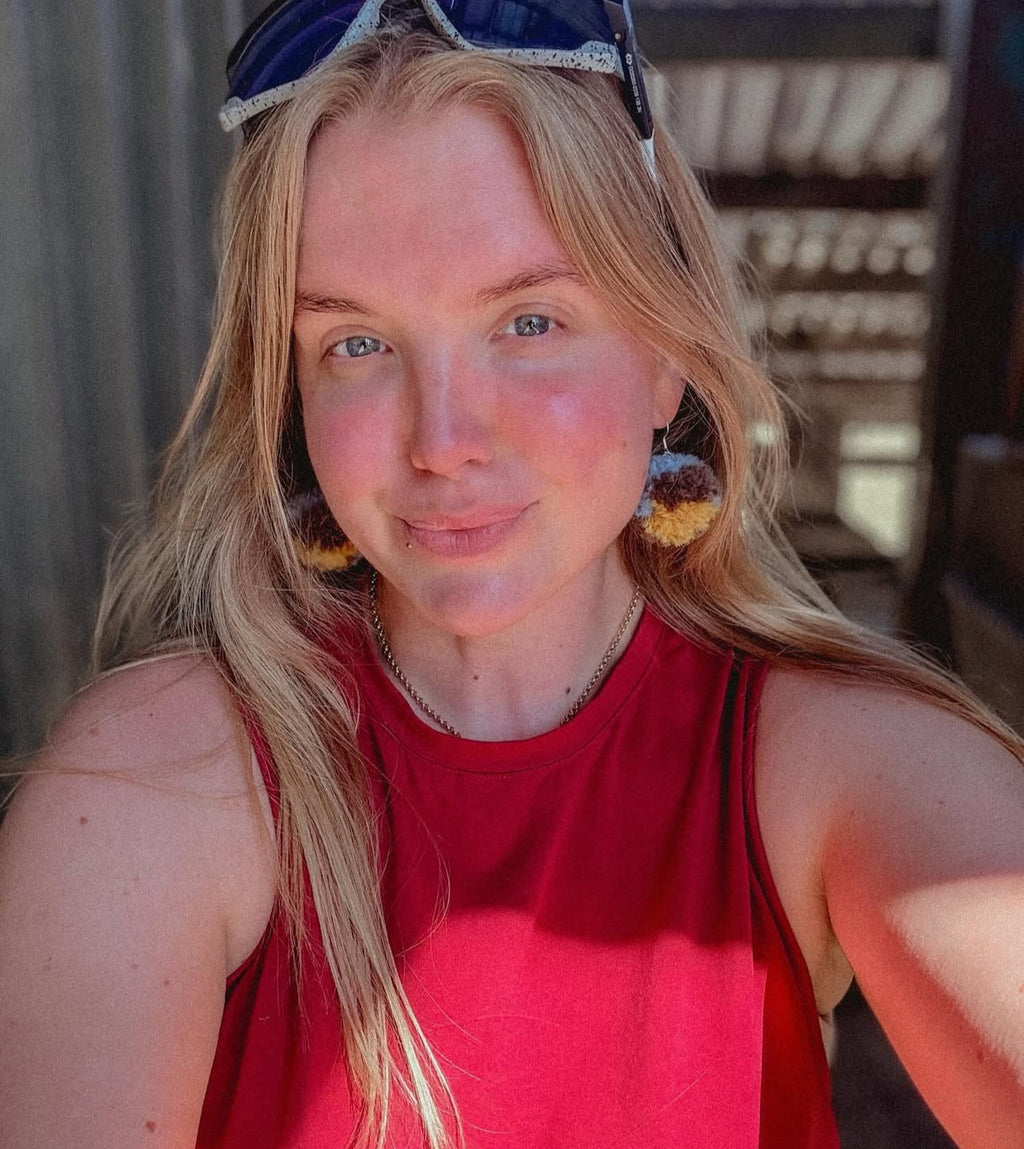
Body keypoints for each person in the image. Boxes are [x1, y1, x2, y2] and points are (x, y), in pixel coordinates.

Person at [1, 2, 1022, 1147]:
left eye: (528, 322)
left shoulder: (833, 759)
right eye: (356, 343)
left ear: (668, 356)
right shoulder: (155, 784)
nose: (441, 440)